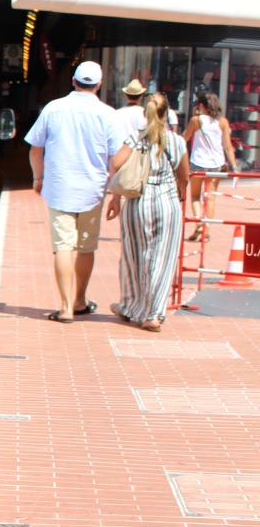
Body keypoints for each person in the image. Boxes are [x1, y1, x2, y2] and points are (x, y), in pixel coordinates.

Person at [25, 60, 124, 323]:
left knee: (63, 247)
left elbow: (35, 148)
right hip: (94, 189)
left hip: (59, 187)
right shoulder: (108, 114)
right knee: (87, 247)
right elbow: (117, 158)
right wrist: (116, 194)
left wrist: (38, 178)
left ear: (73, 81)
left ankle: (66, 307)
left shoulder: (53, 108)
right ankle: (80, 299)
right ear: (99, 84)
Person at [104, 92, 189, 333]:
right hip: (168, 203)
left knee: (134, 255)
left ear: (146, 113)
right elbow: (184, 177)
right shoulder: (177, 142)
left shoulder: (135, 139)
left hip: (137, 202)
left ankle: (131, 305)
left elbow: (116, 164)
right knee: (162, 257)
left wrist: (116, 197)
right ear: (167, 114)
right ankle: (154, 313)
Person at [182, 91, 237, 241]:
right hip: (216, 163)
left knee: (194, 196)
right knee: (210, 197)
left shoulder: (196, 120)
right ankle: (206, 229)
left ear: (201, 106)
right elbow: (227, 146)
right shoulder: (223, 122)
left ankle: (199, 223)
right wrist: (233, 165)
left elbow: (184, 138)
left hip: (198, 162)